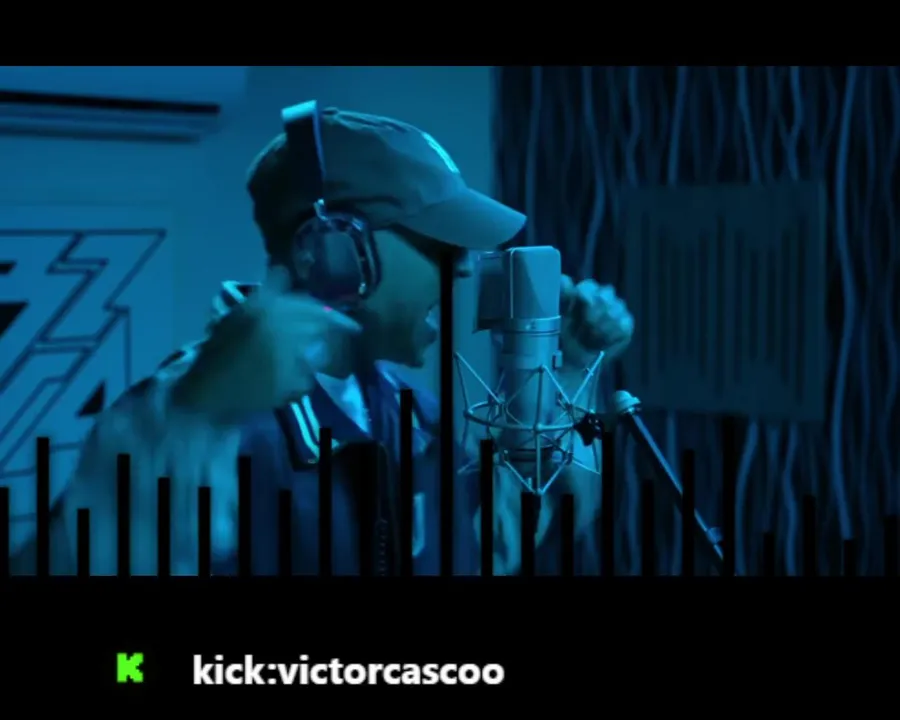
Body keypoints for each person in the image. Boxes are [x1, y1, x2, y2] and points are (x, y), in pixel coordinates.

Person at [50, 103, 634, 576]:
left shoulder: (406, 414)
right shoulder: (200, 417)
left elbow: (486, 544)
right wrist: (198, 416)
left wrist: (568, 369)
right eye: (438, 245)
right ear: (334, 250)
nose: (462, 268)